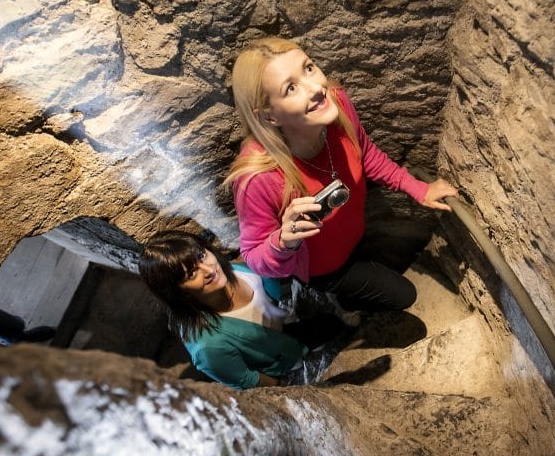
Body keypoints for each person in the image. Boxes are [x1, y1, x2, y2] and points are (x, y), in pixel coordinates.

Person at [225, 36, 458, 314]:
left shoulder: (335, 105)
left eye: (308, 68)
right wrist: (284, 241)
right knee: (404, 295)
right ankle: (343, 305)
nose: (316, 88)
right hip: (326, 270)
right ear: (269, 117)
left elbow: (364, 152)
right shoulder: (259, 178)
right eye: (291, 88)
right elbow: (253, 255)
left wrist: (417, 187)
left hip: (356, 235)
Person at [140, 230, 328, 390]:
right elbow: (247, 379)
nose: (209, 270)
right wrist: (281, 384)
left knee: (329, 326)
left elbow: (264, 272)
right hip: (284, 360)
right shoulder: (209, 346)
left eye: (201, 256)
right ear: (176, 291)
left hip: (286, 330)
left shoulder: (234, 268)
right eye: (191, 273)